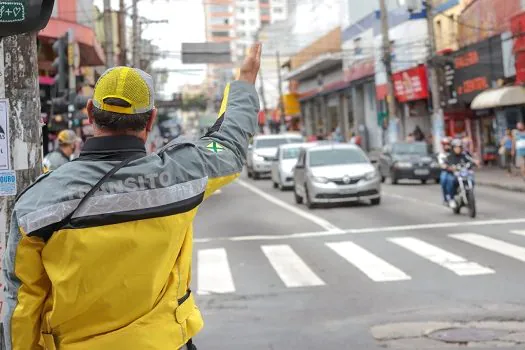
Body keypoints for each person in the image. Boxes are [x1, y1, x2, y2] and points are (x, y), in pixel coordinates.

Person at [2, 44, 262, 350]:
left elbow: (22, 307)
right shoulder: (182, 174)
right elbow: (228, 146)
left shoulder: (36, 203)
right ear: (150, 120)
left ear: (89, 114)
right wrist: (245, 80)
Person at [443, 138, 475, 209]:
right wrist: (447, 167)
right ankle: (451, 199)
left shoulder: (464, 155)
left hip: (464, 174)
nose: (458, 149)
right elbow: (445, 164)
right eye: (456, 147)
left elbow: (471, 160)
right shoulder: (449, 157)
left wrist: (475, 162)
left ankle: (469, 193)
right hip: (454, 175)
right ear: (453, 148)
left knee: (472, 179)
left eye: (459, 147)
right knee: (450, 181)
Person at [438, 137, 451, 205]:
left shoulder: (455, 152)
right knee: (443, 179)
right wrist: (445, 166)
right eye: (444, 144)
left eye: (448, 144)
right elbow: (441, 164)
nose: (446, 146)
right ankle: (446, 198)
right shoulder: (441, 154)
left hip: (457, 170)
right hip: (447, 171)